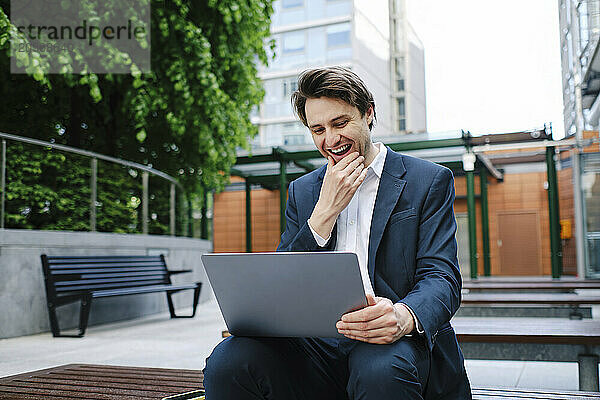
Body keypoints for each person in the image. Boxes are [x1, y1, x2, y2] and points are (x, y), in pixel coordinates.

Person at [203, 66, 472, 399]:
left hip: (391, 341)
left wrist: (404, 316)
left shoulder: (427, 181)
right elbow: (282, 276)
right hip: (317, 345)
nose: (330, 140)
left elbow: (441, 276)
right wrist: (324, 212)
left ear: (368, 113)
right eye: (317, 129)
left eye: (340, 123)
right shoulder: (302, 192)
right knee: (230, 360)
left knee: (379, 370)